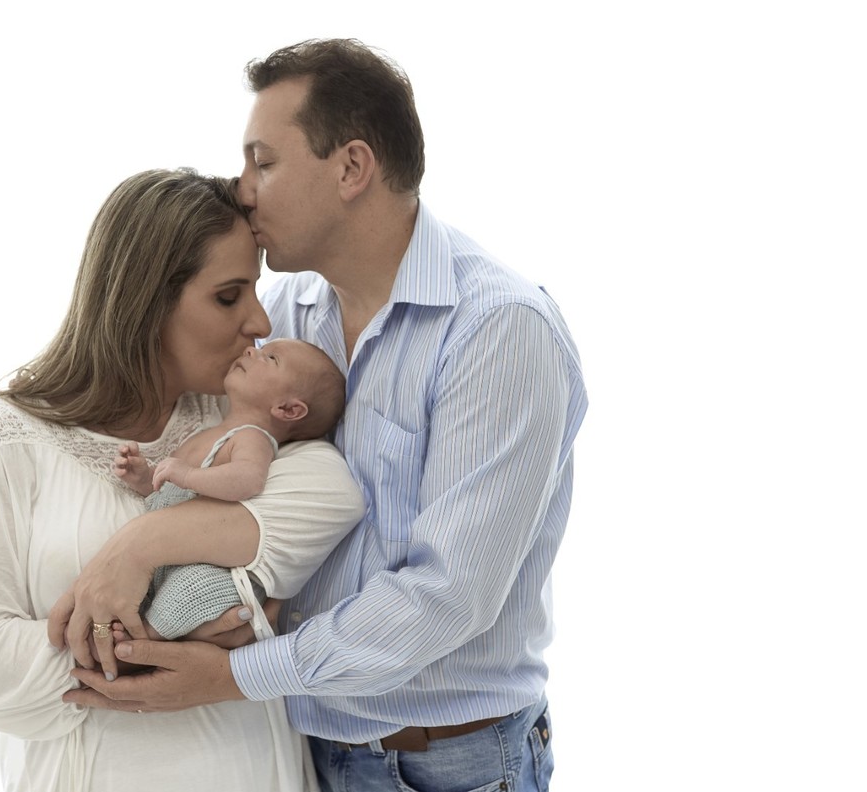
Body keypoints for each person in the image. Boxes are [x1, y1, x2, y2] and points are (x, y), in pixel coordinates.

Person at [55, 39, 588, 792]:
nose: (241, 190)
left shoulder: (497, 331)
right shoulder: (285, 313)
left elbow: (448, 597)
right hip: (303, 751)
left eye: (263, 162)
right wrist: (37, 414)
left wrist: (231, 676)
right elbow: (173, 397)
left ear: (351, 168)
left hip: (444, 765)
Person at [0, 168, 365, 791]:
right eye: (228, 296)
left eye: (254, 290)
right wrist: (170, 654)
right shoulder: (6, 437)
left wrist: (143, 547)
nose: (261, 323)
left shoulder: (242, 414)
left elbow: (335, 499)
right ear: (147, 301)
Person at [113, 337, 345, 641]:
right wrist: (145, 478)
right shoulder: (212, 431)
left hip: (210, 566)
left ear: (288, 409)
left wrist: (187, 474)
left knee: (191, 589)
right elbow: (170, 494)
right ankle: (132, 624)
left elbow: (248, 480)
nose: (251, 350)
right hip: (171, 553)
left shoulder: (253, 438)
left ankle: (145, 639)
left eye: (270, 358)